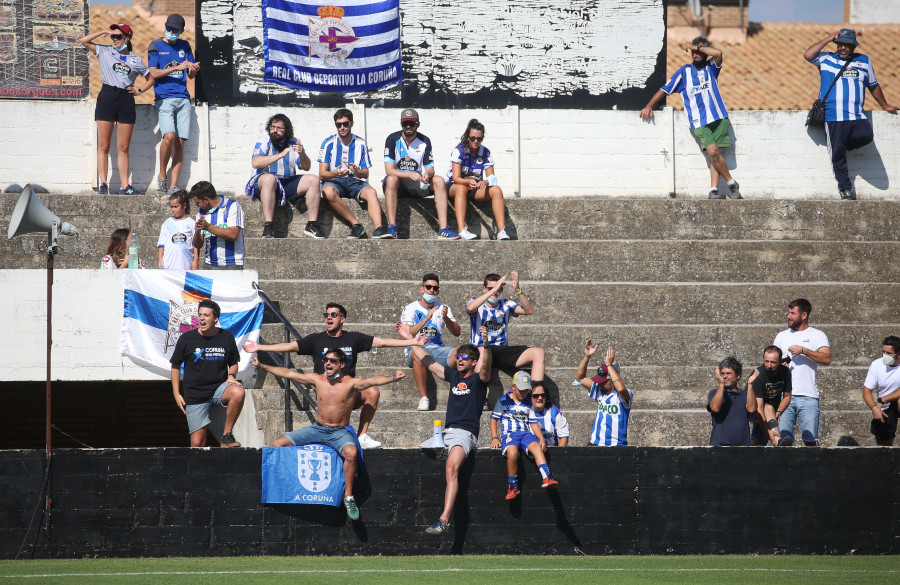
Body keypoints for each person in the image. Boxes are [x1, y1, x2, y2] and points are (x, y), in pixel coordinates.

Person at [243, 302, 425, 449]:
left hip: (348, 393)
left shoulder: (354, 338)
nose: (328, 318)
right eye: (326, 315)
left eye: (333, 315)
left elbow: (383, 343)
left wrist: (412, 341)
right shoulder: (316, 339)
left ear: (343, 319)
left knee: (372, 392)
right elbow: (289, 347)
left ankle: (362, 436)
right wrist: (259, 347)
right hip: (326, 395)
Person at [253, 350, 405, 520]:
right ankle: (287, 487)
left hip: (339, 432)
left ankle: (348, 496)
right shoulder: (318, 379)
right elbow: (288, 373)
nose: (328, 363)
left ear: (342, 364)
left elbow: (372, 380)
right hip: (317, 428)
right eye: (326, 360)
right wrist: (262, 366)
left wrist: (393, 377)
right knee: (278, 444)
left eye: (333, 360)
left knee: (352, 453)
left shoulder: (350, 383)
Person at [405, 328, 491, 535]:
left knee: (451, 468)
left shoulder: (479, 380)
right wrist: (408, 339)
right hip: (446, 432)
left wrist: (486, 346)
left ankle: (444, 519)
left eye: (465, 357)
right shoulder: (453, 375)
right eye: (458, 356)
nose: (460, 359)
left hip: (465, 433)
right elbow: (428, 362)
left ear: (473, 362)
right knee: (417, 452)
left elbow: (486, 366)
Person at [640, 37, 742, 200]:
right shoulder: (684, 72)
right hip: (699, 122)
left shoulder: (711, 68)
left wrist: (695, 46)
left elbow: (718, 53)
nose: (695, 54)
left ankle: (714, 190)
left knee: (715, 157)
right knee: (713, 152)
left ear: (704, 52)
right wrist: (649, 105)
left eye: (698, 51)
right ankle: (731, 183)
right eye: (693, 52)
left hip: (718, 117)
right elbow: (665, 89)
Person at [803, 29, 899, 200]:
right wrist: (828, 38)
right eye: (840, 45)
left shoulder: (863, 61)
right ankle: (845, 189)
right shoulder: (826, 59)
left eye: (847, 45)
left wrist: (885, 105)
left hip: (856, 115)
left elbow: (873, 85)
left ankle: (841, 145)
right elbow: (808, 54)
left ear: (853, 46)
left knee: (866, 135)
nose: (843, 48)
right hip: (833, 117)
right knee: (837, 156)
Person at [79, 23, 152, 195]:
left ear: (127, 38)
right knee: (103, 145)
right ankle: (103, 183)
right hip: (107, 96)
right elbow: (83, 41)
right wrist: (104, 31)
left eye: (119, 36)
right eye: (113, 36)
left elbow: (150, 78)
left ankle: (125, 185)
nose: (115, 39)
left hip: (126, 98)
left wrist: (139, 91)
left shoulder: (136, 59)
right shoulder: (105, 51)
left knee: (123, 147)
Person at [170, 299, 245, 448]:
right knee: (198, 443)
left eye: (206, 315)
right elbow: (175, 366)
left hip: (218, 389)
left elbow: (234, 363)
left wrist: (231, 376)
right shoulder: (187, 339)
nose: (202, 319)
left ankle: (226, 436)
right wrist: (176, 394)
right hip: (196, 394)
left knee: (238, 391)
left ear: (215, 318)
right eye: (200, 315)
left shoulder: (226, 336)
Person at [382, 109, 459, 239]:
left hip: (416, 184)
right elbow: (389, 170)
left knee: (439, 180)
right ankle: (392, 227)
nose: (408, 126)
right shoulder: (392, 139)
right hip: (398, 184)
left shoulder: (424, 141)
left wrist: (427, 175)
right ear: (401, 124)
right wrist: (408, 174)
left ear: (418, 124)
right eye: (405, 123)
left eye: (411, 123)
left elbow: (430, 168)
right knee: (391, 179)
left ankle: (444, 229)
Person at [245, 113, 323, 239]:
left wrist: (301, 153)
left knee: (314, 180)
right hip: (263, 182)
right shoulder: (264, 140)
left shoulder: (293, 142)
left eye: (278, 128)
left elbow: (306, 166)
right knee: (270, 178)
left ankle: (312, 225)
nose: (274, 130)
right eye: (272, 127)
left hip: (286, 182)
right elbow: (256, 163)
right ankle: (268, 226)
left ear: (286, 130)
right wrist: (281, 155)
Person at [147, 14, 199, 196]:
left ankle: (173, 185)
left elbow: (190, 75)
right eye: (169, 29)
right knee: (168, 136)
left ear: (181, 31)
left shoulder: (185, 46)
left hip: (183, 98)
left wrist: (193, 70)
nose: (171, 32)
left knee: (180, 143)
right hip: (164, 99)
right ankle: (162, 176)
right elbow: (153, 72)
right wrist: (176, 68)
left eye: (175, 30)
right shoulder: (155, 46)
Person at [467, 272, 545, 390]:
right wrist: (494, 289)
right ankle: (475, 393)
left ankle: (537, 392)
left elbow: (528, 311)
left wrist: (518, 290)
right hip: (480, 351)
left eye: (499, 289)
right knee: (483, 350)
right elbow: (470, 308)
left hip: (501, 351)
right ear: (484, 289)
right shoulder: (476, 302)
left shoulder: (506, 304)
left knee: (538, 353)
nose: (495, 292)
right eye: (491, 288)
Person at [318, 109, 388, 239]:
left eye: (345, 124)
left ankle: (379, 229)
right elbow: (322, 174)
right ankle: (356, 225)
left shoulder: (361, 144)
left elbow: (365, 173)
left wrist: (356, 171)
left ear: (352, 123)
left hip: (355, 181)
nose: (342, 127)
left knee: (372, 192)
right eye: (339, 125)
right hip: (335, 181)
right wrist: (335, 173)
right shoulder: (328, 143)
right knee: (327, 191)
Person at [489, 370, 559, 500]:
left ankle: (547, 477)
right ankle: (512, 486)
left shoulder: (528, 403)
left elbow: (533, 423)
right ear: (513, 387)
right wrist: (495, 437)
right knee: (512, 453)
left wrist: (541, 438)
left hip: (526, 434)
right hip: (510, 434)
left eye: (526, 390)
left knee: (537, 448)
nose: (523, 393)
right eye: (520, 389)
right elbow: (494, 419)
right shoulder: (503, 400)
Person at [773, 298, 831, 447]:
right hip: (784, 396)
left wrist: (803, 350)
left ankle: (813, 469)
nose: (788, 316)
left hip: (808, 396)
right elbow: (771, 362)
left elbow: (826, 358)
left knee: (810, 441)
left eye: (792, 313)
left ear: (804, 315)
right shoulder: (781, 336)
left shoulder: (817, 335)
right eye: (788, 312)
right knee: (784, 441)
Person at [399, 273, 461, 411]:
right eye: (428, 287)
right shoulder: (410, 308)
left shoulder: (444, 307)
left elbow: (457, 333)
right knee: (417, 356)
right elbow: (406, 336)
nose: (432, 290)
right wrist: (426, 319)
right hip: (415, 349)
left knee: (462, 354)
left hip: (438, 349)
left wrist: (446, 318)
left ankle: (463, 392)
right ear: (422, 289)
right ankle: (424, 398)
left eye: (435, 288)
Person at [446, 119, 509, 240]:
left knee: (496, 190)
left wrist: (483, 182)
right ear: (467, 137)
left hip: (473, 187)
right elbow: (456, 177)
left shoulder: (485, 152)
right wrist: (468, 181)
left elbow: (492, 178)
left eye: (479, 139)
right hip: (455, 185)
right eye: (472, 138)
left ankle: (501, 231)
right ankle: (462, 230)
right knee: (461, 188)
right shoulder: (459, 151)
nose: (476, 141)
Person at [574, 340, 633, 446]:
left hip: (616, 446)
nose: (600, 384)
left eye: (603, 382)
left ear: (612, 380)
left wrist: (609, 365)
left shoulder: (626, 394)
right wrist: (587, 357)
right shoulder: (599, 391)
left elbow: (620, 389)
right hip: (595, 444)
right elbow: (580, 377)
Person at [190, 181, 245, 270]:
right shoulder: (201, 212)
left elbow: (233, 235)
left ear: (206, 199)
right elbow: (199, 244)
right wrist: (197, 232)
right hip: (209, 264)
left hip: (232, 263)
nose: (197, 206)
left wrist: (208, 227)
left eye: (198, 202)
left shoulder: (232, 206)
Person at [745, 346, 792, 446]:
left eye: (773, 362)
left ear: (780, 361)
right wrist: (771, 435)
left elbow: (787, 396)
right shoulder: (758, 375)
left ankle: (755, 444)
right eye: (766, 361)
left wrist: (779, 412)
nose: (769, 365)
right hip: (753, 410)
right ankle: (778, 441)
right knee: (768, 407)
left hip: (771, 411)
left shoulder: (785, 372)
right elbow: (759, 410)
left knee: (758, 442)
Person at [862, 336, 900, 446]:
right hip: (884, 407)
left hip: (890, 402)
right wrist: (874, 407)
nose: (885, 355)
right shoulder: (877, 364)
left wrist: (881, 400)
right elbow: (866, 391)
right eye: (883, 352)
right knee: (884, 442)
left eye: (888, 353)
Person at [707, 357, 751, 446]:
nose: (724, 376)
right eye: (722, 373)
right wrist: (721, 384)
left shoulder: (745, 395)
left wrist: (750, 384)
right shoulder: (714, 393)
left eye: (728, 373)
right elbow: (715, 408)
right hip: (719, 445)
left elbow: (752, 409)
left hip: (742, 447)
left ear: (738, 376)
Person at [157, 189, 199, 270]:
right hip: (169, 264)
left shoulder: (192, 223)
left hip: (186, 263)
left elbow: (196, 245)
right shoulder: (167, 223)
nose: (173, 209)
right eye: (171, 207)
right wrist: (160, 259)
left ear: (184, 206)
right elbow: (161, 244)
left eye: (176, 207)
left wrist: (195, 261)